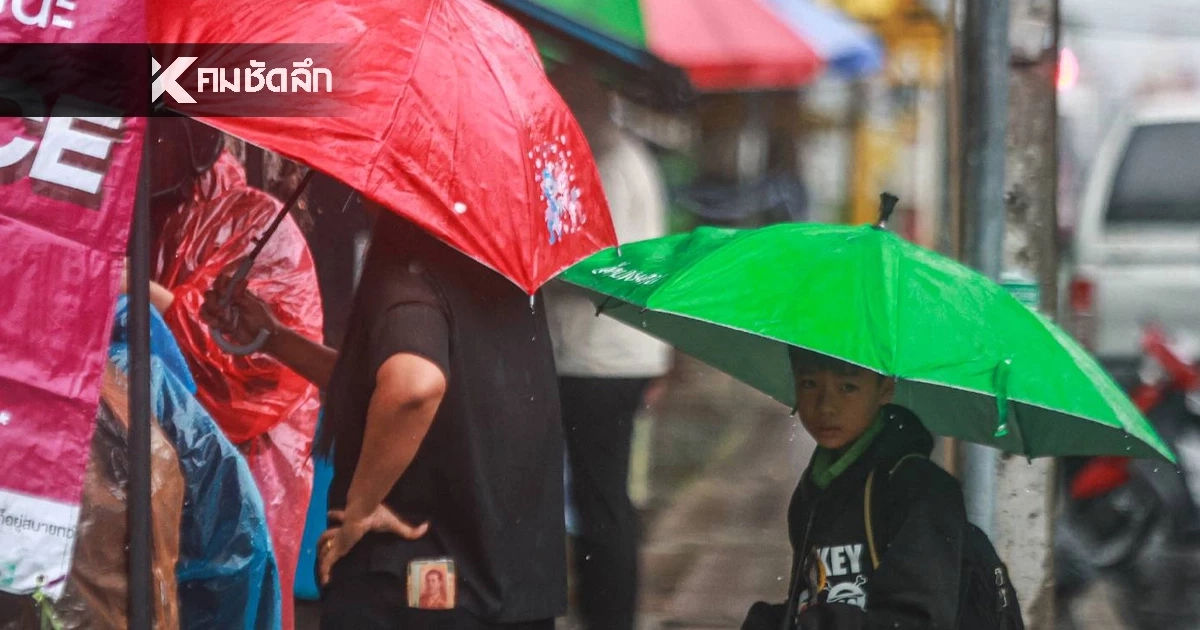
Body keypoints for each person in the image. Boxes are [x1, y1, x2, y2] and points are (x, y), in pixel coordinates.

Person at [207, 209, 567, 629]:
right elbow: (382, 383)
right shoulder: (506, 265)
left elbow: (414, 386)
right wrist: (274, 338)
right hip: (513, 583)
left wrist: (362, 507)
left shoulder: (409, 267)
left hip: (419, 586)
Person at [146, 117, 324, 630]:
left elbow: (248, 376)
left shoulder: (256, 223)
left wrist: (139, 291)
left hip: (238, 479)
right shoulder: (140, 212)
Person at [543, 63, 672, 630]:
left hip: (599, 359)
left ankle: (608, 614)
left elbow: (602, 267)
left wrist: (537, 269)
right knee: (603, 496)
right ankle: (603, 611)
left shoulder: (610, 163)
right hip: (611, 356)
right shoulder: (621, 158)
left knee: (601, 499)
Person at [741, 347, 966, 629]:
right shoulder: (813, 492)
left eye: (848, 387)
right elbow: (812, 598)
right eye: (809, 384)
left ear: (885, 389)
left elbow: (920, 620)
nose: (825, 406)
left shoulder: (921, 490)